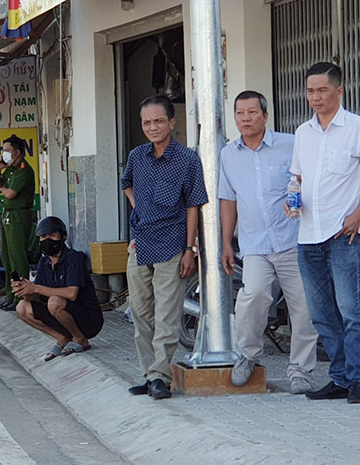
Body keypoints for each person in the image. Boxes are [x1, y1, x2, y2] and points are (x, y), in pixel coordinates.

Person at [290, 62, 360, 404]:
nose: (315, 97)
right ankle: (340, 377)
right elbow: (297, 179)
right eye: (310, 91)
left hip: (342, 235)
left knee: (352, 310)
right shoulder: (302, 133)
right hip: (307, 237)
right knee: (321, 314)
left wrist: (358, 215)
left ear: (339, 91)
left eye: (322, 90)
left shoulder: (359, 128)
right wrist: (292, 201)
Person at [218, 90, 319, 394]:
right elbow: (228, 200)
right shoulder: (228, 154)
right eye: (240, 113)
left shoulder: (290, 144)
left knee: (304, 307)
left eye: (252, 112)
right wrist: (226, 243)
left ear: (265, 115)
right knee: (253, 296)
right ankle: (248, 355)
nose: (245, 118)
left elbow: (308, 180)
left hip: (292, 241)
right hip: (255, 246)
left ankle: (300, 371)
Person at [121, 95, 208, 400]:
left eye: (159, 121)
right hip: (140, 243)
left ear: (172, 122)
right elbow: (126, 183)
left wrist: (190, 248)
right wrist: (139, 208)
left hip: (173, 244)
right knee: (141, 312)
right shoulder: (137, 156)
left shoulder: (187, 160)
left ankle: (161, 375)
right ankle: (149, 374)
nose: (153, 127)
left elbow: (194, 206)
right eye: (147, 122)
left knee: (167, 314)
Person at [14, 216, 103, 361]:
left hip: (88, 319)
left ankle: (80, 339)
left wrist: (35, 288)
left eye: (52, 235)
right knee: (22, 307)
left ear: (63, 237)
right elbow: (35, 296)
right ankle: (62, 337)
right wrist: (25, 290)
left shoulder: (73, 257)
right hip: (60, 316)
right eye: (43, 236)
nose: (47, 240)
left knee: (54, 302)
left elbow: (71, 293)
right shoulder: (44, 261)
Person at [0, 134, 35, 312]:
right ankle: (11, 295)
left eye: (7, 151)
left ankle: (21, 296)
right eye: (3, 151)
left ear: (17, 152)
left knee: (18, 258)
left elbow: (10, 194)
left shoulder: (24, 170)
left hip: (19, 216)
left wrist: (3, 189)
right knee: (7, 257)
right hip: (7, 215)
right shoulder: (9, 170)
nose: (4, 154)